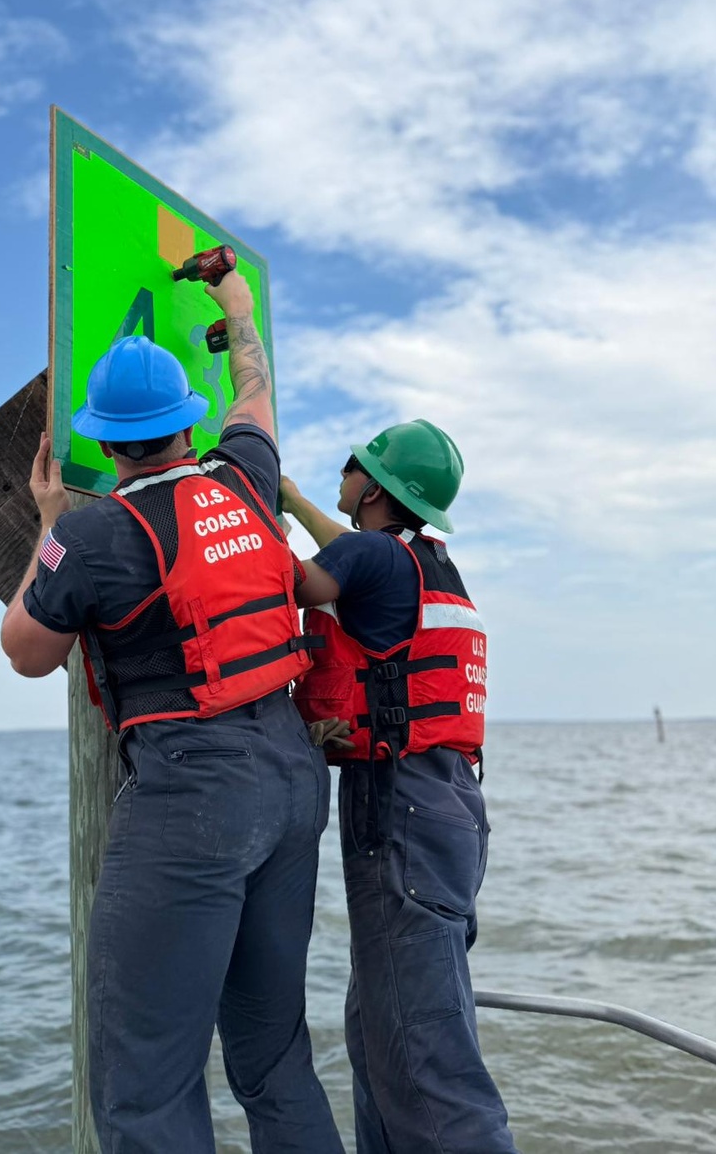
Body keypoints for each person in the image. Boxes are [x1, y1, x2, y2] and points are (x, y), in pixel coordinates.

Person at [1, 269, 344, 1154]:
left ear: (107, 446)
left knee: (144, 1087)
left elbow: (26, 651)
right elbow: (256, 389)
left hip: (193, 798)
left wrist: (47, 523)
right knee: (273, 1057)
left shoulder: (93, 533)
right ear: (189, 425)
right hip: (294, 777)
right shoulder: (245, 477)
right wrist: (233, 303)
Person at [280, 421, 519, 1154]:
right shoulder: (426, 563)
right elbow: (346, 551)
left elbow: (294, 578)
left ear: (376, 489)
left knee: (425, 1060)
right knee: (380, 1033)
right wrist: (290, 498)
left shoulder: (368, 558)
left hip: (400, 808)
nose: (342, 475)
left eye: (354, 465)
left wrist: (228, 508)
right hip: (450, 805)